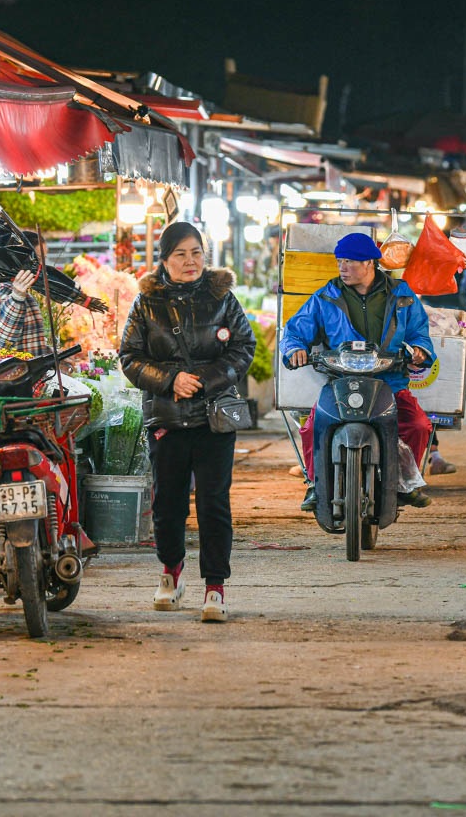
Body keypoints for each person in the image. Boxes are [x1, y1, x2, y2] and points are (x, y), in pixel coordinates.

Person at [119, 222, 256, 623]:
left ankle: (215, 586)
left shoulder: (222, 297)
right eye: (180, 254)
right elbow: (130, 357)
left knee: (214, 503)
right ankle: (171, 572)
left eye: (196, 252)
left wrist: (204, 381)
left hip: (214, 419)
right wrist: (169, 380)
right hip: (167, 418)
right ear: (164, 259)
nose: (190, 261)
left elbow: (243, 347)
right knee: (168, 503)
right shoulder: (147, 303)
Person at [281, 232, 436, 511]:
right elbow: (295, 331)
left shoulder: (401, 295)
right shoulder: (326, 297)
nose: (342, 268)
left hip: (389, 381)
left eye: (350, 261)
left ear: (369, 263)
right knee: (313, 427)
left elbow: (419, 332)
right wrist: (294, 349)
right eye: (340, 261)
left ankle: (402, 483)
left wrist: (420, 351)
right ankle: (317, 484)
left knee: (417, 425)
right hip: (340, 383)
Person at [0, 229, 51, 354]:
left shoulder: (9, 287)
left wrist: (52, 354)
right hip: (14, 367)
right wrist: (17, 298)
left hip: (23, 365)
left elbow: (26, 342)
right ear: (19, 257)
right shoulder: (2, 290)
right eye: (38, 258)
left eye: (44, 259)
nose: (41, 265)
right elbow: (1, 344)